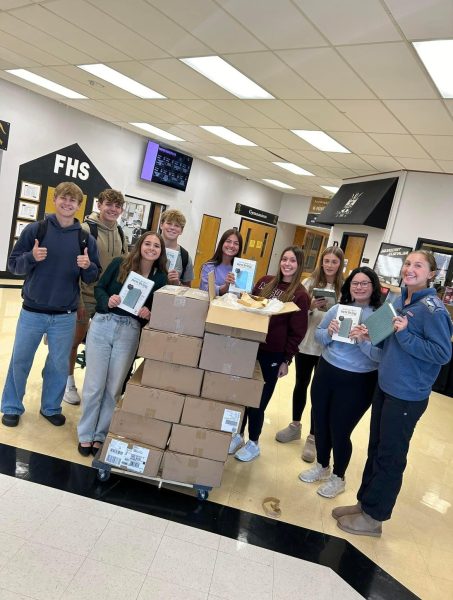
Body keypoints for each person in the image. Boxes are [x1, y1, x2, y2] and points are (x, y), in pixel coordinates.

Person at [334, 251, 453, 536]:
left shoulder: (433, 309)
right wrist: (368, 334)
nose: (410, 269)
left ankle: (374, 518)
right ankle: (365, 503)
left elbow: (442, 353)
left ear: (431, 274)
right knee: (375, 448)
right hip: (385, 386)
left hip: (407, 396)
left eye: (418, 265)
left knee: (390, 456)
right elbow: (387, 338)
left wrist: (405, 334)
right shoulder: (400, 300)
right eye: (408, 264)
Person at [1, 182, 101, 428]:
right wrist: (31, 258)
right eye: (63, 199)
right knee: (20, 360)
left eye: (73, 201)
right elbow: (14, 265)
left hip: (65, 314)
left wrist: (88, 266)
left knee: (57, 365)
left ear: (79, 206)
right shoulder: (37, 230)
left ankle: (50, 407)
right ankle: (12, 406)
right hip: (32, 311)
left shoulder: (85, 238)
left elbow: (93, 276)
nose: (68, 204)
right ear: (54, 200)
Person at [77, 232, 167, 456]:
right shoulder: (120, 263)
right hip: (103, 324)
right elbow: (99, 288)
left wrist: (150, 312)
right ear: (139, 245)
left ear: (160, 252)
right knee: (94, 386)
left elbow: (160, 310)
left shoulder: (160, 278)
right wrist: (106, 300)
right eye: (147, 243)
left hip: (130, 330)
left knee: (114, 387)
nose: (151, 248)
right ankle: (86, 434)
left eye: (156, 246)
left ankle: (101, 434)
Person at [298, 267, 382, 498]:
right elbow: (320, 337)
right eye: (355, 283)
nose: (359, 287)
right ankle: (322, 466)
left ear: (373, 287)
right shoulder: (338, 309)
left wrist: (362, 340)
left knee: (340, 429)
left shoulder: (378, 316)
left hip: (358, 380)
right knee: (321, 421)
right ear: (349, 286)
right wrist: (330, 333)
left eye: (365, 283)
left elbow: (379, 356)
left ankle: (339, 477)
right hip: (326, 371)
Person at [229, 246, 310, 461]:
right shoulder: (265, 281)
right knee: (243, 395)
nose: (287, 264)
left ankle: (254, 442)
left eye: (292, 261)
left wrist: (286, 360)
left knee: (258, 401)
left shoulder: (300, 295)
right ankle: (238, 434)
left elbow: (297, 332)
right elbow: (249, 306)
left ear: (299, 265)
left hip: (272, 354)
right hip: (250, 347)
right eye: (284, 259)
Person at [275, 246, 344, 462]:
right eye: (326, 261)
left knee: (319, 392)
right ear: (321, 262)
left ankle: (313, 437)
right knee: (301, 384)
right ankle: (295, 425)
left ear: (340, 264)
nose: (329, 265)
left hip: (327, 349)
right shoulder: (308, 284)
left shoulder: (345, 288)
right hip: (307, 344)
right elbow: (296, 312)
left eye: (334, 262)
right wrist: (310, 306)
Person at [63, 189, 128, 405]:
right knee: (73, 341)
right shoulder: (84, 229)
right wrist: (78, 299)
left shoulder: (120, 232)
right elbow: (72, 267)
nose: (113, 209)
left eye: (117, 206)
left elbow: (124, 265)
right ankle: (67, 382)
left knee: (96, 345)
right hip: (83, 294)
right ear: (99, 205)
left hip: (106, 297)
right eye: (109, 204)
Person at [199, 229, 243, 295]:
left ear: (239, 248)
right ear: (222, 243)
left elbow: (244, 293)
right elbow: (205, 290)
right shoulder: (209, 267)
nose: (231, 246)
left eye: (236, 243)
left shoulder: (241, 271)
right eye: (228, 241)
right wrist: (226, 286)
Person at [160, 208, 194, 286]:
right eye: (169, 223)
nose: (172, 228)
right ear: (161, 225)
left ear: (181, 231)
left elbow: (187, 287)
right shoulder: (149, 249)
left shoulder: (185, 257)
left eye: (177, 225)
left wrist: (177, 283)